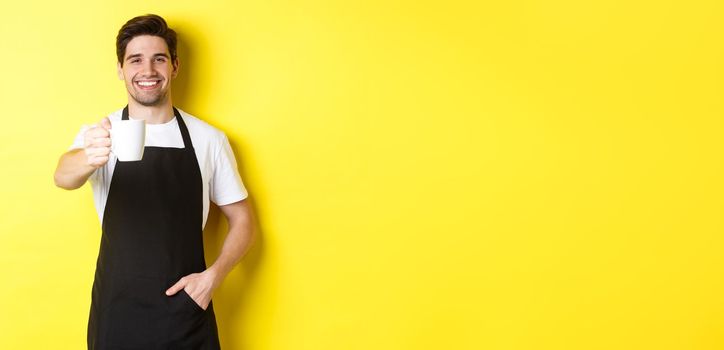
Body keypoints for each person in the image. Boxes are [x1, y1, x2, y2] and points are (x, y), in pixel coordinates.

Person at [53, 14, 254, 349]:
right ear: (120, 69)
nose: (147, 71)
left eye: (158, 59)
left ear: (174, 67)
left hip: (186, 311)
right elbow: (63, 176)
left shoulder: (208, 139)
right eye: (135, 60)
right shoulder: (100, 134)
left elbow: (244, 219)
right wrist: (90, 155)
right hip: (116, 312)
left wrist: (213, 278)